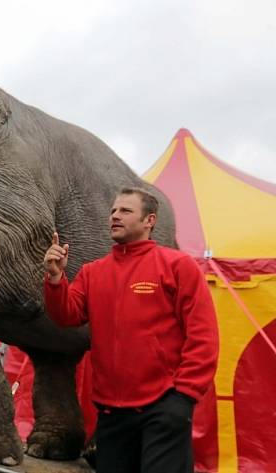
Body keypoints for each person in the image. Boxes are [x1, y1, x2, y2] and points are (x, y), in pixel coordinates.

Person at [43, 187, 219, 473]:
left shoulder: (177, 265)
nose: (115, 216)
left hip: (164, 407)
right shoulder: (92, 272)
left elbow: (204, 336)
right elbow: (67, 316)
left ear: (150, 220)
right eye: (113, 211)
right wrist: (55, 278)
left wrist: (184, 396)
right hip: (112, 412)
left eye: (125, 211)